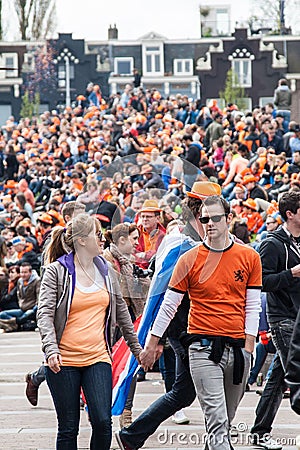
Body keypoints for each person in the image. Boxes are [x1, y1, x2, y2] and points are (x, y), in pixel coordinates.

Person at [138, 195, 262, 450]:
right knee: (217, 421)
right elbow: (169, 305)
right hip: (202, 348)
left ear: (228, 219)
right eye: (205, 219)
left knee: (225, 421)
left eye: (216, 218)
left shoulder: (249, 257)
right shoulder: (188, 258)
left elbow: (253, 305)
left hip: (238, 349)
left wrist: (249, 345)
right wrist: (152, 342)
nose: (210, 224)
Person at [116, 182, 221, 450]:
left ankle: (132, 436)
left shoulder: (194, 239)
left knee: (184, 393)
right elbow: (165, 294)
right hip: (187, 328)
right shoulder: (182, 243)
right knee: (212, 390)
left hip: (193, 326)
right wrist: (158, 338)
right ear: (201, 211)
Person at [37, 213, 142, 450]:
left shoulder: (105, 270)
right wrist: (51, 349)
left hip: (97, 357)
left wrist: (137, 349)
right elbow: (44, 314)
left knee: (103, 422)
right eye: (97, 234)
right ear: (82, 240)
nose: (102, 238)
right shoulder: (56, 271)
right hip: (63, 360)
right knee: (68, 427)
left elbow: (122, 312)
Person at [250, 190, 300, 450]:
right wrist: (291, 274)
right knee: (295, 372)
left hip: (297, 316)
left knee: (279, 377)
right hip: (282, 317)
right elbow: (261, 282)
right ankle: (259, 433)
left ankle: (259, 432)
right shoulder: (273, 242)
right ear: (290, 214)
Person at [104, 223, 149, 427]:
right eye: (134, 239)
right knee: (105, 369)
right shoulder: (105, 259)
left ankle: (126, 411)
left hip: (127, 319)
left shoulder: (129, 263)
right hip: (107, 322)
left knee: (128, 367)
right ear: (121, 240)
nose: (137, 243)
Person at [0, 262, 40, 332]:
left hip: (32, 308)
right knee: (2, 314)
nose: (23, 275)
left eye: (25, 272)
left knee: (28, 314)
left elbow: (39, 297)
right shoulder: (20, 281)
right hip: (22, 309)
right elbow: (19, 295)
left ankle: (15, 323)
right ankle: (16, 324)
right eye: (21, 272)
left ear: (30, 272)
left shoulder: (37, 281)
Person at [135, 199, 166, 269]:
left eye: (148, 216)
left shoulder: (165, 236)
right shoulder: (134, 233)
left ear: (157, 218)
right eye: (143, 216)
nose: (145, 219)